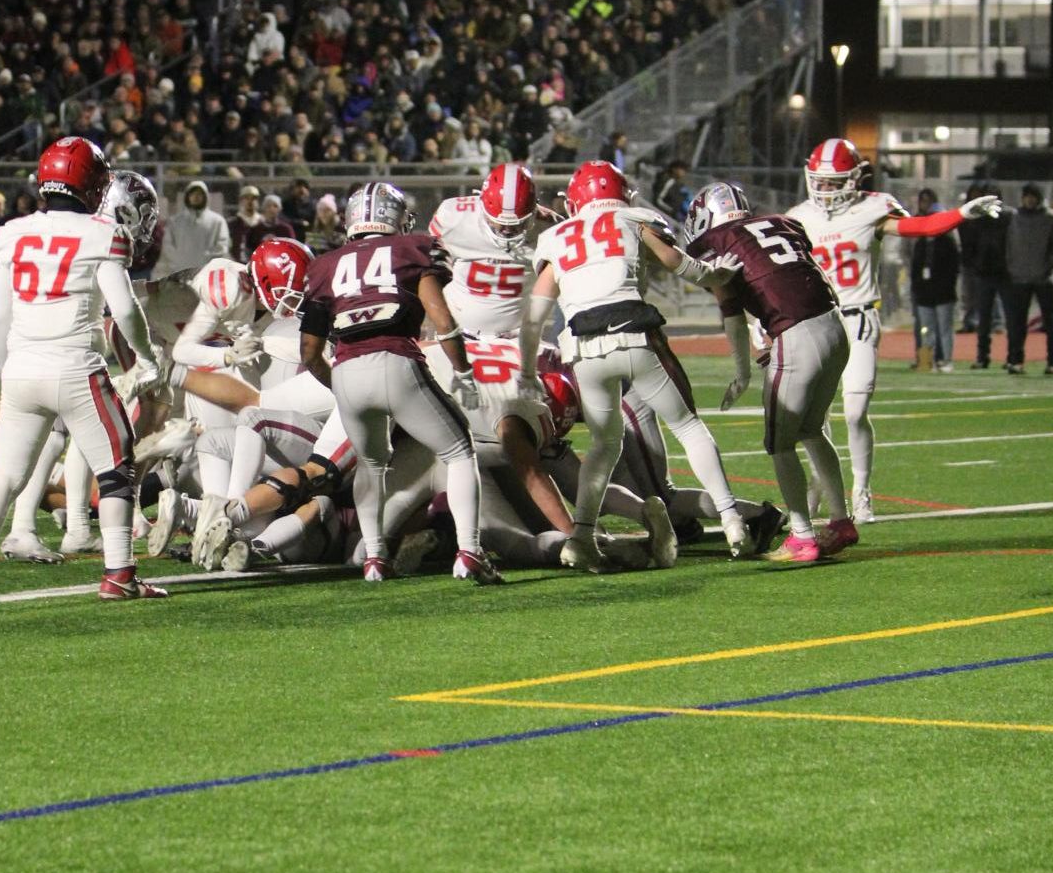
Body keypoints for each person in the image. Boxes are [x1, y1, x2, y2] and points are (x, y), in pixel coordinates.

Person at [0, 137, 168, 602]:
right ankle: (120, 574)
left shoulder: (13, 232)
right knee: (117, 469)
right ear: (95, 184)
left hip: (21, 369)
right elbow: (125, 308)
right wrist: (146, 356)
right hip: (76, 368)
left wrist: (7, 371)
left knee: (5, 475)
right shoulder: (102, 233)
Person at [520, 160, 747, 568]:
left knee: (604, 446)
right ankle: (732, 521)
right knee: (688, 427)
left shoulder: (557, 237)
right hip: (636, 333)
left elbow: (534, 315)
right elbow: (680, 264)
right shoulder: (634, 218)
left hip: (584, 348)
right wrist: (717, 276)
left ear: (576, 202)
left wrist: (525, 371)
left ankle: (583, 536)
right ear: (621, 194)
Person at [298, 180, 501, 584]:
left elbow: (308, 352)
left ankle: (374, 559)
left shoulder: (323, 265)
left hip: (346, 369)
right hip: (396, 358)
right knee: (459, 450)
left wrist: (337, 385)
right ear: (393, 217)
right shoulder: (412, 249)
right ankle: (470, 552)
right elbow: (442, 321)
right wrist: (462, 372)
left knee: (372, 465)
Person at [787, 138, 1000, 519]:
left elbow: (921, 226)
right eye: (819, 180)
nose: (825, 188)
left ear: (854, 179)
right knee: (813, 419)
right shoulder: (798, 215)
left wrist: (961, 213)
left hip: (859, 317)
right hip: (817, 321)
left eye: (834, 181)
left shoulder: (872, 207)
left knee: (854, 411)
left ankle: (862, 487)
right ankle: (821, 481)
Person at [685, 180, 853, 564]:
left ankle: (802, 537)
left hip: (796, 332)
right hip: (835, 325)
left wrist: (742, 372)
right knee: (811, 429)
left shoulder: (717, 241)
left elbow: (730, 309)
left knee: (779, 442)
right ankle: (842, 521)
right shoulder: (784, 223)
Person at [428, 163, 539, 340]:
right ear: (482, 206)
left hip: (518, 338)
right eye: (499, 222)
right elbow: (428, 275)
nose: (507, 230)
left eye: (517, 223)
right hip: (460, 335)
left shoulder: (550, 228)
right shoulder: (453, 218)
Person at [1002, 183, 1053, 375]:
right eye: (1026, 196)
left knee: (1050, 323)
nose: (1029, 199)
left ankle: (1052, 362)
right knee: (1017, 323)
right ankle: (1015, 361)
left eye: (1032, 196)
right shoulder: (1015, 218)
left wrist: (1046, 268)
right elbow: (1008, 246)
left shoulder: (1050, 219)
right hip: (1019, 277)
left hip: (1043, 279)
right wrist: (1011, 266)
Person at [957, 181, 1009, 366]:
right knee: (984, 318)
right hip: (983, 271)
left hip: (1003, 272)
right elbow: (968, 244)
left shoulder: (1007, 217)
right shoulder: (976, 219)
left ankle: (1012, 358)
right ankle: (982, 356)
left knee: (1009, 317)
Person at [908, 188, 959, 371]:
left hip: (943, 292)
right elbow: (915, 268)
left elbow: (953, 269)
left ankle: (946, 360)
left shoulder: (948, 242)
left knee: (944, 329)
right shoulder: (921, 242)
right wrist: (916, 288)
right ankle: (927, 361)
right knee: (926, 329)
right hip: (924, 292)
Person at [155, 178, 231, 275]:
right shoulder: (175, 221)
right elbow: (167, 245)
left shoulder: (218, 221)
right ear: (187, 197)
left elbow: (222, 246)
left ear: (205, 197)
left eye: (199, 194)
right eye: (193, 194)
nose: (196, 197)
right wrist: (180, 261)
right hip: (181, 274)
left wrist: (205, 260)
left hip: (207, 274)